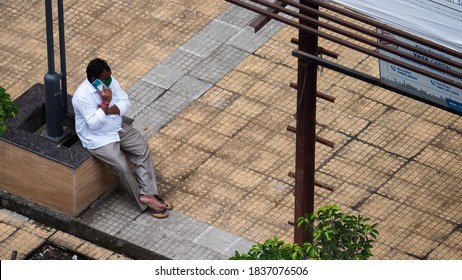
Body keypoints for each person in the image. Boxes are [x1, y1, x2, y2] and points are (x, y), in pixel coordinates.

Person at [72, 58, 172, 218]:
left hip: (116, 127)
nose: (109, 81)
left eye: (109, 77)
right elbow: (93, 124)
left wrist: (109, 110)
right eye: (105, 79)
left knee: (141, 148)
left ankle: (148, 193)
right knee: (122, 167)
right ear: (94, 80)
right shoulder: (81, 97)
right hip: (98, 138)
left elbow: (125, 101)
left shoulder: (110, 83)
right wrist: (105, 103)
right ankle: (143, 203)